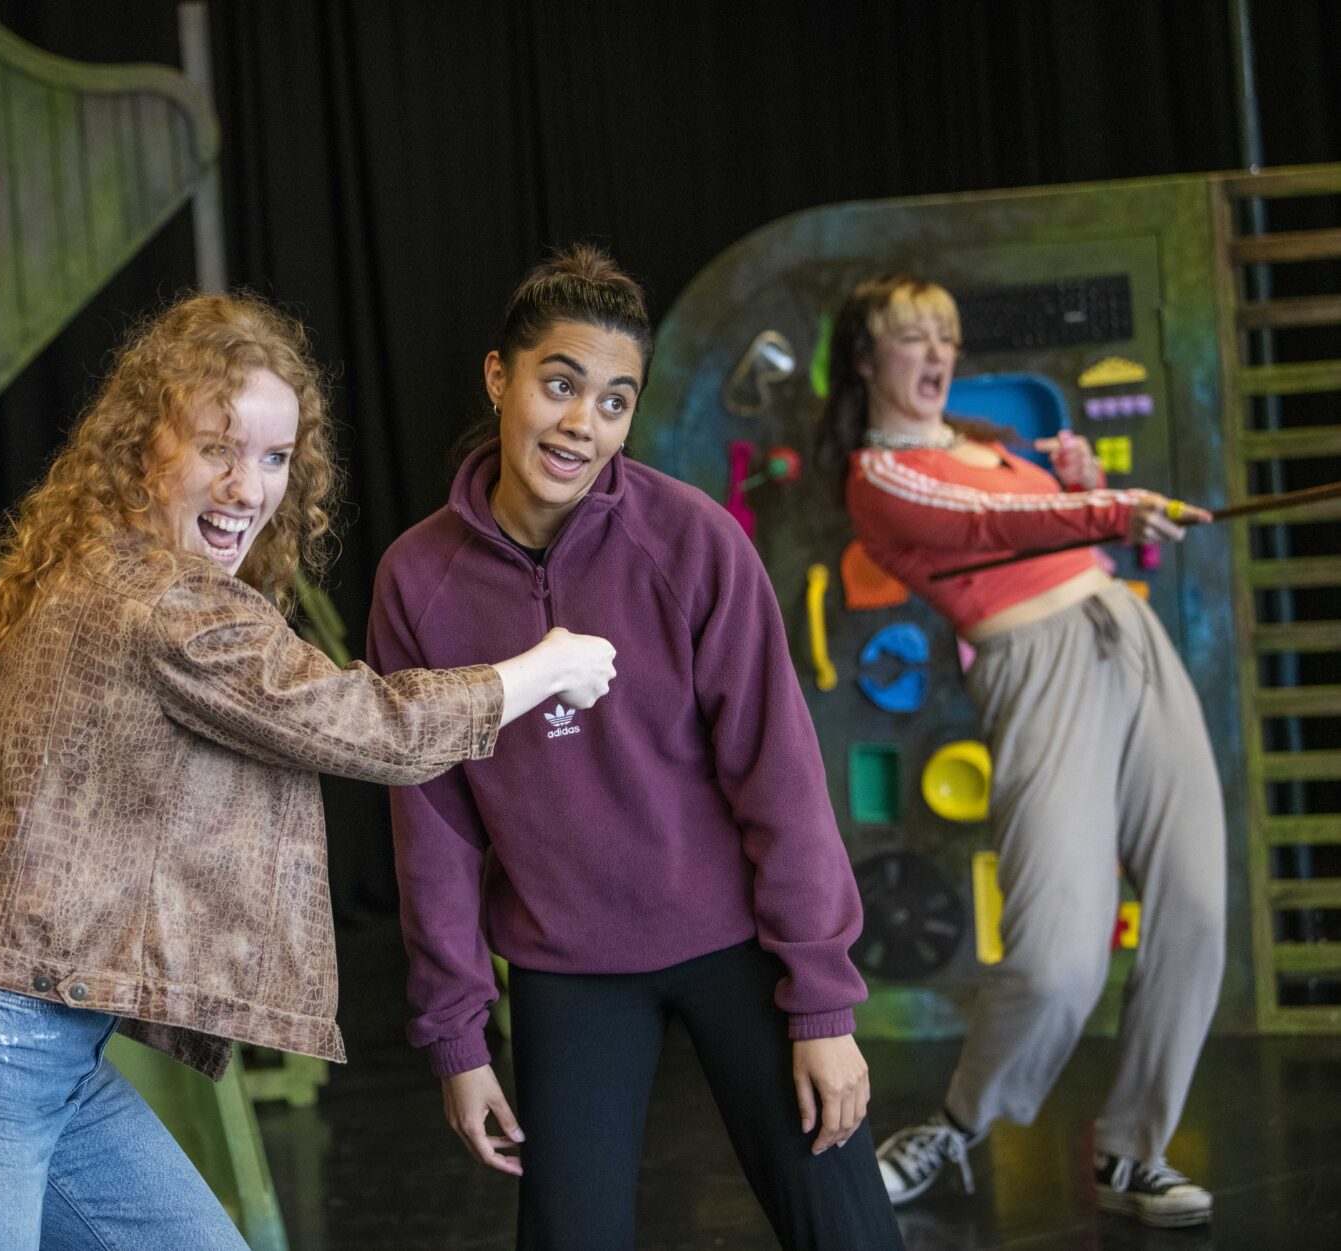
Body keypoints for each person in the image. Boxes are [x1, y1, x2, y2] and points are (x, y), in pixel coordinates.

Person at [0, 292, 620, 1251]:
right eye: (218, 447)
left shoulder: (120, 572)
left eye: (275, 457)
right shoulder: (162, 604)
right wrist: (546, 666)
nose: (249, 486)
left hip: (35, 1055)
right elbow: (365, 724)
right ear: (142, 448)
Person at [366, 246, 903, 1251]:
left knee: (847, 1232)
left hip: (736, 945)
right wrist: (454, 1036)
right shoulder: (416, 580)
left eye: (613, 402)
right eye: (558, 385)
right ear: (499, 377)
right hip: (565, 964)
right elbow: (430, 824)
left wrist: (821, 1008)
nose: (581, 424)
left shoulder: (693, 544)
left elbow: (778, 778)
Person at [824, 274, 1224, 1229]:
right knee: (1055, 959)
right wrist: (1106, 507)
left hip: (1123, 637)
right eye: (911, 337)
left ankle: (1131, 1152)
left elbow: (1061, 537)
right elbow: (989, 530)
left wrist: (1086, 493)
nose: (936, 355)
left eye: (945, 335)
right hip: (1034, 666)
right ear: (865, 359)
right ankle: (958, 1125)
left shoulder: (989, 447)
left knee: (1199, 907)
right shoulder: (879, 477)